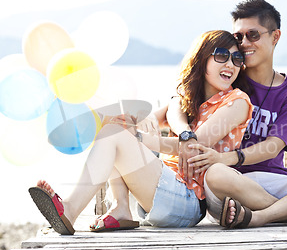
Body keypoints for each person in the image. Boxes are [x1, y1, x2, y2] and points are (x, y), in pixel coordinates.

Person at [29, 30, 253, 234]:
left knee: (116, 133)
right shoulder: (187, 100)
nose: (231, 65)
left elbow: (194, 145)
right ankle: (121, 208)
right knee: (114, 126)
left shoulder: (236, 100)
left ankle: (71, 209)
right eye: (222, 55)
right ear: (203, 57)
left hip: (189, 200)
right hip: (169, 186)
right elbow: (150, 120)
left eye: (237, 59)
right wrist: (133, 123)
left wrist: (139, 138)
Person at [165, 0, 287, 229]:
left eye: (253, 35)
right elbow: (179, 100)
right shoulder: (227, 74)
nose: (244, 43)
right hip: (228, 186)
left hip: (273, 181)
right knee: (215, 173)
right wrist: (185, 134)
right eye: (238, 37)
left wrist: (226, 157)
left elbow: (273, 146)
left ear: (275, 37)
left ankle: (261, 217)